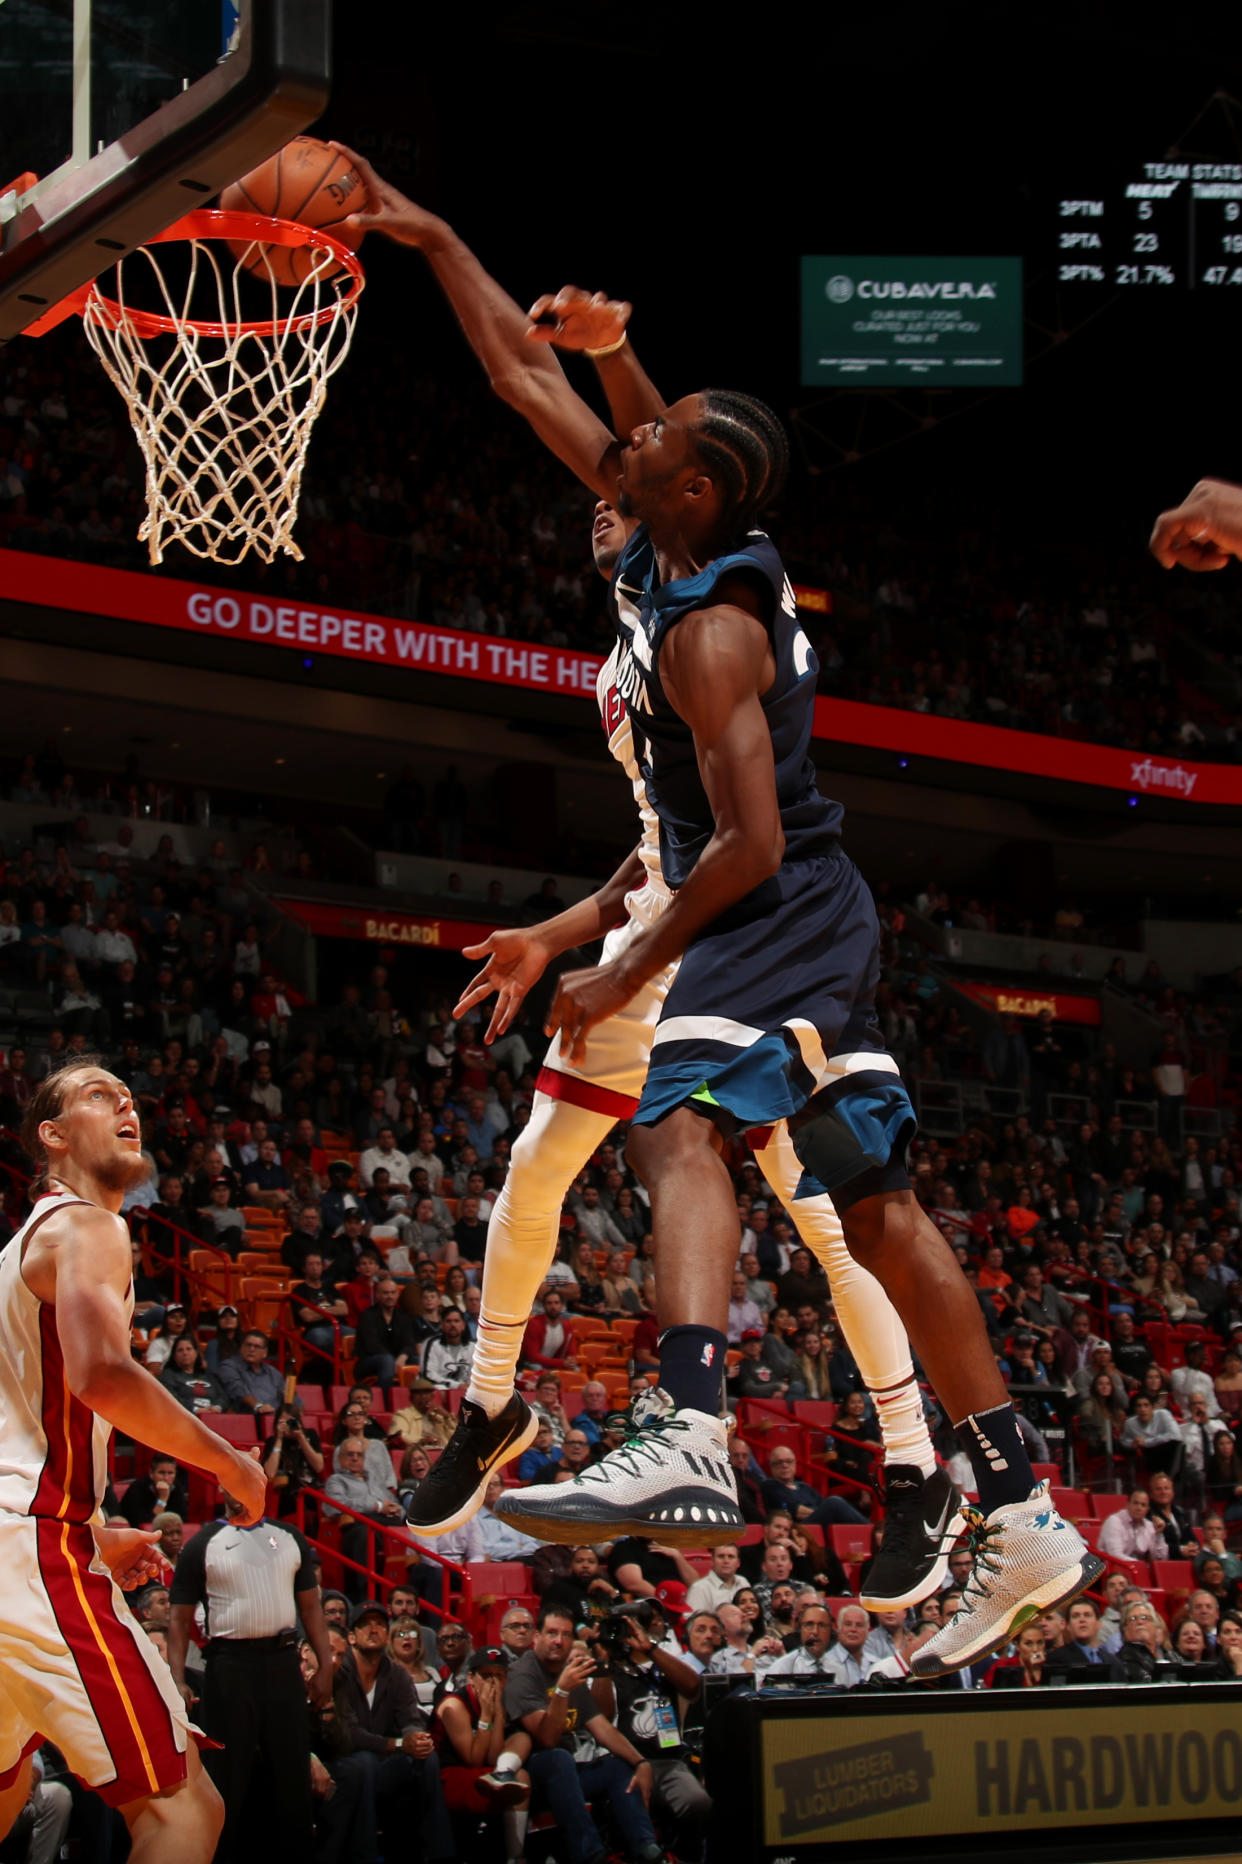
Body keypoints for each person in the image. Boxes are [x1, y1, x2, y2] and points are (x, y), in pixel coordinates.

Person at [348, 166, 960, 1619]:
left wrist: (617, 964)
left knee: (813, 1198)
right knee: (546, 1164)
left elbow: (572, 406)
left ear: (666, 500)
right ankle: (494, 1408)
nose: (602, 466)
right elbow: (661, 832)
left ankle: (910, 1461)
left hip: (746, 913)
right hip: (672, 899)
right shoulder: (652, 588)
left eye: (632, 459)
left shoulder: (699, 613)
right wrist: (569, 933)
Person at [0, 1056, 265, 1861]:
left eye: (127, 1095)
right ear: (51, 1137)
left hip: (21, 1546)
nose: (124, 1103)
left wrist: (96, 1534)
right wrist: (229, 1462)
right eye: (95, 1094)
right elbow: (102, 1375)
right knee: (184, 1813)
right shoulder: (86, 1224)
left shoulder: (15, 1254)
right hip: (31, 1546)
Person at [168, 1495, 334, 1864]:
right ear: (220, 1488)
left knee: (292, 1778)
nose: (239, 1487)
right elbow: (178, 1619)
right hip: (230, 1666)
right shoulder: (202, 1544)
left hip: (282, 1663)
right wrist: (176, 1679)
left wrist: (326, 1665)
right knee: (226, 1780)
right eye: (230, 1478)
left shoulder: (289, 1536)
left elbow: (310, 1608)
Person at [502, 1601, 661, 1864]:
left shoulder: (569, 1672)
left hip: (567, 1772)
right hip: (532, 1772)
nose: (558, 1641)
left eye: (566, 1635)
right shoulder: (522, 1675)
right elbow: (546, 1740)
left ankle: (646, 1849)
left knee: (616, 1766)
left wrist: (640, 1762)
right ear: (536, 1637)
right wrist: (562, 1692)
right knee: (558, 1757)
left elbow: (603, 1728)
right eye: (552, 1633)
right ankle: (590, 1855)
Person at [335, 1601, 455, 1863]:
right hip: (344, 1760)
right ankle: (364, 1856)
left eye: (379, 1623)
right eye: (366, 1624)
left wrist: (417, 1739)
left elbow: (410, 1718)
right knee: (363, 1763)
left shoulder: (397, 1674)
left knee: (428, 1757)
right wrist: (400, 1745)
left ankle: (438, 1854)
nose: (374, 1629)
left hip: (382, 1761)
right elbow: (350, 1734)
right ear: (352, 1636)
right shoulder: (341, 1671)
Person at [591, 1604, 712, 1857]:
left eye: (631, 1628)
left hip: (668, 1762)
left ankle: (684, 1856)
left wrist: (650, 1649)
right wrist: (602, 1661)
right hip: (623, 1765)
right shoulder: (606, 1670)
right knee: (626, 1810)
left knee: (698, 1802)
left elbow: (693, 1687)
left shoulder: (664, 1662)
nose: (625, 1635)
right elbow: (600, 1716)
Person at [1097, 1489, 1165, 1563]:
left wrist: (1159, 1535)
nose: (1139, 1508)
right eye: (1136, 1503)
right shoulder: (1114, 1521)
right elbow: (1115, 1555)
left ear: (1147, 1509)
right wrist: (1141, 1566)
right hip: (1113, 1569)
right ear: (1128, 1504)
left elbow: (1161, 1559)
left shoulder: (1149, 1526)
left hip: (1138, 1569)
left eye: (1143, 1505)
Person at [989, 1624, 1049, 1689]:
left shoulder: (1050, 1665)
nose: (1035, 1649)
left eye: (1040, 1643)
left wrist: (1037, 1671)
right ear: (1017, 1645)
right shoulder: (1003, 1666)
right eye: (1028, 1643)